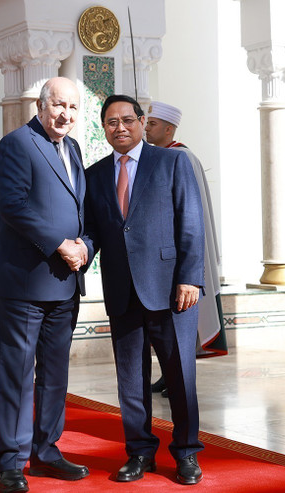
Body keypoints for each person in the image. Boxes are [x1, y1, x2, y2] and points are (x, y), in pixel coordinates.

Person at [84, 94, 205, 485]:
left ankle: (186, 453)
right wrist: (77, 252)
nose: (119, 127)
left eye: (127, 120)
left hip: (171, 289)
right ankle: (139, 453)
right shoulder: (94, 175)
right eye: (111, 122)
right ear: (104, 129)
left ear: (141, 121)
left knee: (180, 375)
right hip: (122, 289)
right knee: (130, 379)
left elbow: (191, 221)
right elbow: (92, 231)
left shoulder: (172, 162)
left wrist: (190, 277)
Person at [0, 77, 90, 493]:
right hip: (22, 284)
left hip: (64, 282)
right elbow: (14, 206)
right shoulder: (17, 144)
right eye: (59, 105)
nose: (66, 115)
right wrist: (60, 244)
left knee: (55, 375)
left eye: (73, 107)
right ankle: (10, 462)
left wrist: (84, 247)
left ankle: (46, 451)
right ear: (42, 105)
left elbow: (80, 210)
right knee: (16, 375)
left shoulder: (73, 148)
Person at [144, 101, 228, 398]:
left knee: (180, 322)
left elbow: (190, 214)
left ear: (169, 129)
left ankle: (179, 378)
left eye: (152, 124)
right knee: (162, 322)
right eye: (147, 122)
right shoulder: (155, 156)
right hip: (159, 255)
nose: (146, 128)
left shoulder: (183, 157)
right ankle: (168, 374)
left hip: (179, 255)